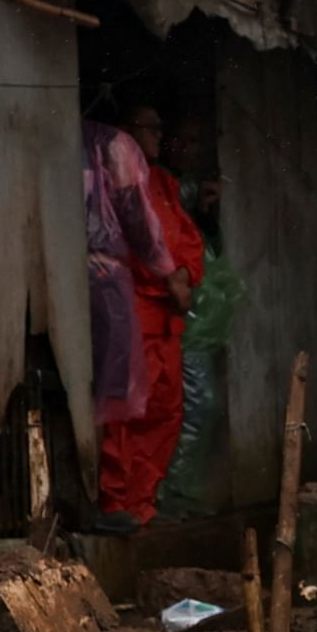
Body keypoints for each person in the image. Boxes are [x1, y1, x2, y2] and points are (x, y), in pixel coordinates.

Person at [87, 103, 203, 529]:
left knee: (167, 410)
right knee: (126, 409)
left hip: (167, 316)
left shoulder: (165, 184)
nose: (159, 136)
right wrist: (168, 279)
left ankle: (141, 502)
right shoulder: (116, 179)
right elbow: (132, 241)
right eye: (150, 129)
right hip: (135, 310)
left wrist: (186, 275)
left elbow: (189, 241)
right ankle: (116, 500)